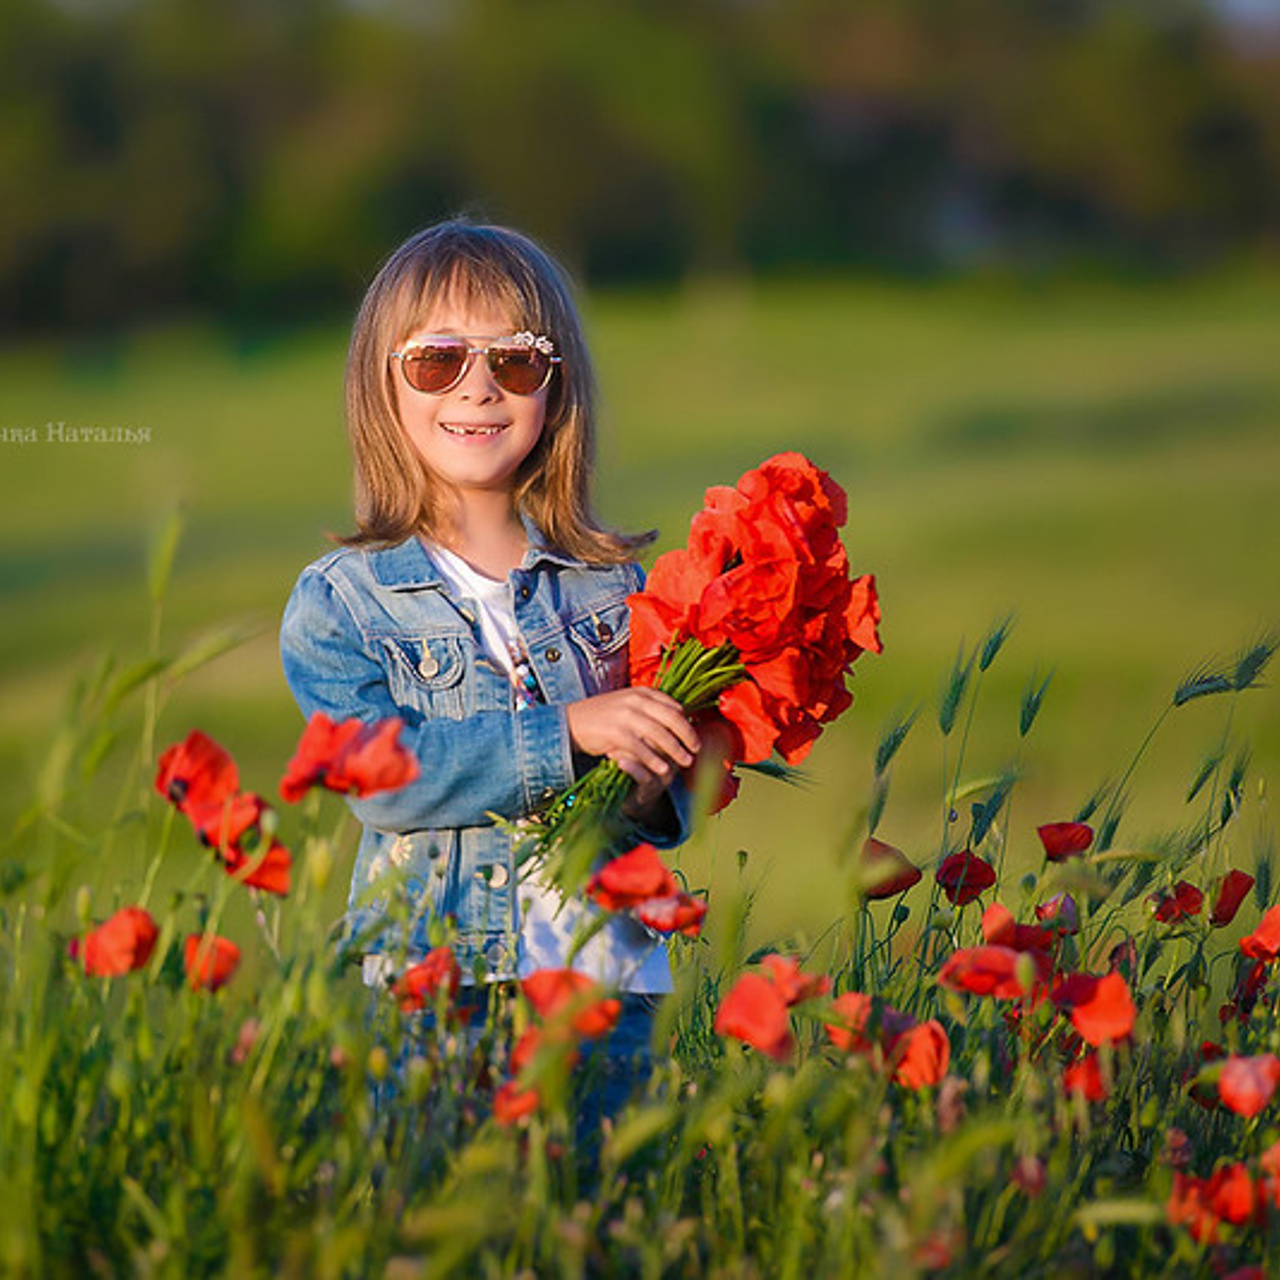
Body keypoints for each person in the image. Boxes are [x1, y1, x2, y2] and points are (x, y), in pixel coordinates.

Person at [279, 218, 699, 1110]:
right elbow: (383, 780)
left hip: (603, 980)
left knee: (592, 1226)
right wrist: (570, 731)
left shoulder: (611, 586)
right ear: (380, 384)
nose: (477, 387)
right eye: (437, 360)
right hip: (437, 986)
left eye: (515, 362)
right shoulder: (343, 602)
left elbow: (647, 811)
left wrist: (654, 778)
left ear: (556, 386)